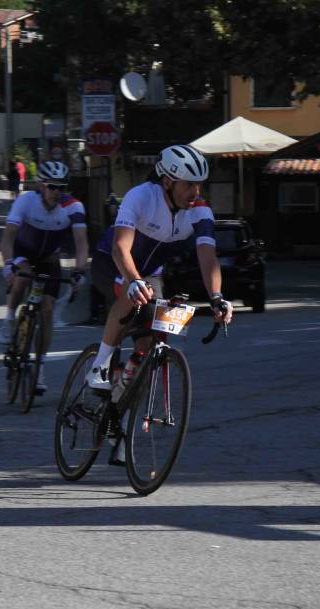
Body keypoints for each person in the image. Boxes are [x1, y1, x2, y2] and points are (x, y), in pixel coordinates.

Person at [85, 144, 233, 462]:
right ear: (167, 181)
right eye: (188, 184)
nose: (195, 192)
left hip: (150, 273)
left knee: (147, 350)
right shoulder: (141, 196)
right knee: (130, 295)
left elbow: (208, 257)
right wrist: (132, 280)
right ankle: (99, 366)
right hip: (112, 262)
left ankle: (119, 424)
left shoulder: (199, 211)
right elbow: (121, 248)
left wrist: (217, 297)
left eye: (199, 185)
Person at [0, 160, 88, 394]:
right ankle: (9, 318)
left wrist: (79, 271)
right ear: (40, 185)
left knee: (47, 308)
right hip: (22, 253)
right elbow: (8, 238)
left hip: (49, 258)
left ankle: (40, 368)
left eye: (62, 187)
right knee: (23, 277)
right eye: (52, 186)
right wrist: (8, 265)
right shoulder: (26, 201)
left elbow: (81, 244)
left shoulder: (73, 206)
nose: (57, 192)